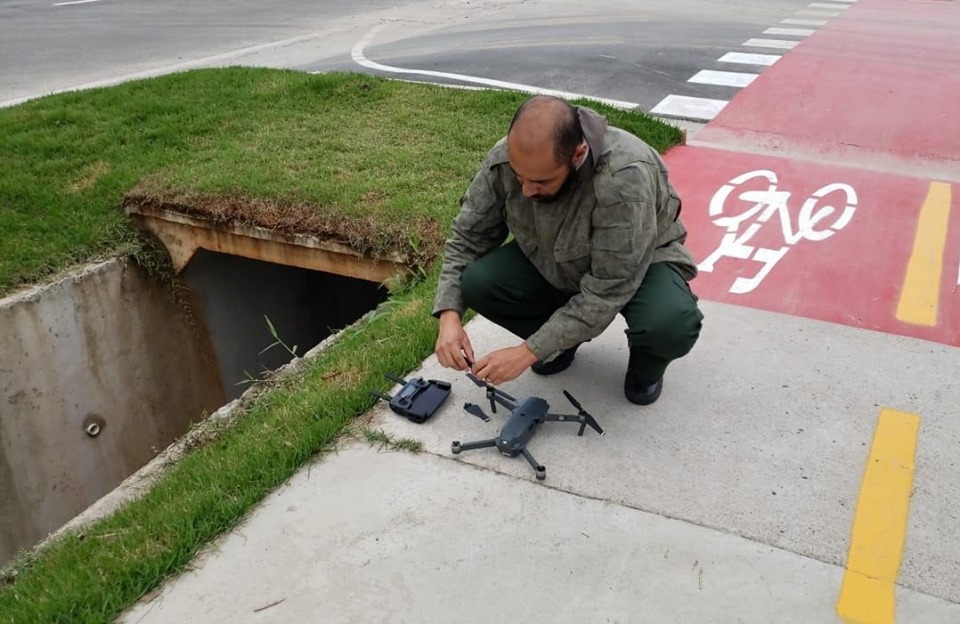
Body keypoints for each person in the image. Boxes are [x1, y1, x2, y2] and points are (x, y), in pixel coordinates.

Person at [431, 94, 704, 405]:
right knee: (478, 281)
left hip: (638, 262)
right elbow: (468, 237)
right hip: (553, 255)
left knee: (670, 323)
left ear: (578, 154)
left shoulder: (624, 178)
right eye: (520, 177)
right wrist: (449, 316)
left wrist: (526, 353)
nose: (526, 190)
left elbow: (608, 289)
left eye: (540, 181)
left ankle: (646, 367)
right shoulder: (506, 158)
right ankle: (558, 345)